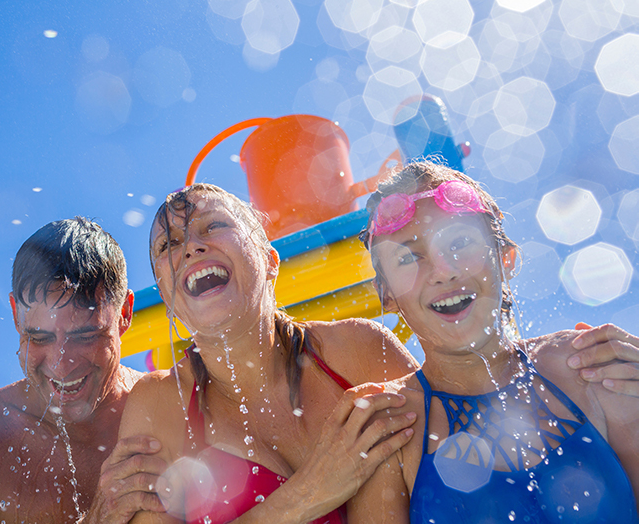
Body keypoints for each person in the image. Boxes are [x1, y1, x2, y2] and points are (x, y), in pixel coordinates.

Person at [349, 161, 639, 523]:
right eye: (408, 256)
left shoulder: (587, 366)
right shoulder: (391, 431)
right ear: (387, 295)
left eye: (458, 242)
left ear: (505, 257)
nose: (443, 269)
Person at [116, 184, 420, 524]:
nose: (191, 247)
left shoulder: (360, 349)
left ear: (269, 259)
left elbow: (453, 476)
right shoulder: (159, 406)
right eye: (169, 244)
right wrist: (310, 493)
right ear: (166, 296)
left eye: (213, 226)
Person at [0, 217, 168, 524]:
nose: (61, 365)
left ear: (125, 314)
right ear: (15, 316)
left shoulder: (170, 409)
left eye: (85, 337)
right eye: (39, 337)